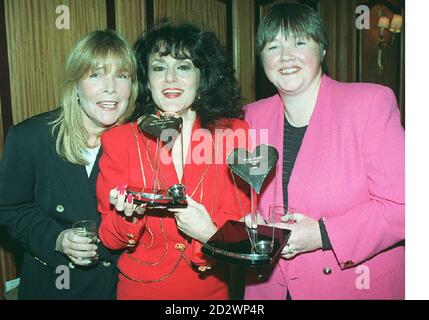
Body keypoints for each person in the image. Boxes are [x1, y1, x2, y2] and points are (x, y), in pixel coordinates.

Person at [243, 3, 404, 300]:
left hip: (353, 288)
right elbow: (241, 197)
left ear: (323, 50)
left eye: (299, 42)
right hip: (271, 288)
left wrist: (322, 234)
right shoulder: (250, 117)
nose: (285, 56)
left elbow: (404, 207)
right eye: (272, 46)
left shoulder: (370, 105)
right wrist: (248, 219)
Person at [96, 22, 250, 300]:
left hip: (211, 291)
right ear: (146, 80)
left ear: (202, 77)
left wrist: (208, 234)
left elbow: (240, 226)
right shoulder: (119, 140)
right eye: (159, 67)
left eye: (183, 66)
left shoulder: (233, 134)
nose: (170, 79)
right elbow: (108, 237)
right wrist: (128, 218)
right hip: (140, 291)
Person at [0, 29, 138, 299]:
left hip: (119, 289)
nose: (110, 87)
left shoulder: (142, 142)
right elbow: (8, 208)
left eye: (121, 76)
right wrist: (56, 239)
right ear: (75, 84)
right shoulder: (30, 138)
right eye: (96, 74)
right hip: (53, 287)